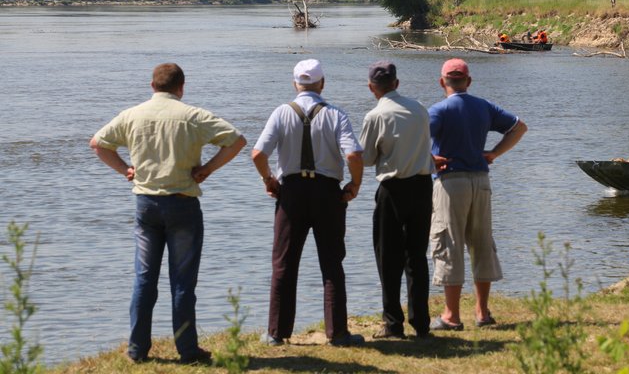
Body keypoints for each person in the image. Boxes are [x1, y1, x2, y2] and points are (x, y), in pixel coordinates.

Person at [90, 63, 246, 364]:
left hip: (146, 205)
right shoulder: (193, 116)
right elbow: (237, 141)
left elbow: (98, 144)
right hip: (183, 203)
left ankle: (137, 349)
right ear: (181, 87)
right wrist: (207, 169)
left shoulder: (132, 114)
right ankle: (187, 350)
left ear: (152, 86)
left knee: (144, 279)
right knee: (183, 282)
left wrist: (126, 170)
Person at [251, 59, 365, 347]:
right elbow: (353, 155)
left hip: (290, 193)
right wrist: (355, 184)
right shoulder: (336, 114)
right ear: (322, 84)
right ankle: (337, 332)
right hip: (327, 193)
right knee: (331, 262)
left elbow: (257, 154)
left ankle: (277, 333)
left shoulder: (280, 113)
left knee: (284, 263)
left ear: (294, 85)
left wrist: (269, 180)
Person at [428, 58, 527, 331]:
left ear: (442, 82)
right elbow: (519, 127)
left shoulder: (438, 110)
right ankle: (482, 313)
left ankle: (451, 316)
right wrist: (494, 153)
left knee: (449, 242)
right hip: (481, 180)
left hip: (451, 182)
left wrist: (429, 160)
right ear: (468, 82)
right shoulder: (484, 106)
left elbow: (414, 139)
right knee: (481, 242)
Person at [359, 61, 436, 339]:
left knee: (388, 257)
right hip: (423, 186)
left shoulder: (375, 116)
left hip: (392, 189)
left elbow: (366, 159)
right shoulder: (419, 109)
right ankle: (421, 323)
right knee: (416, 255)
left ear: (372, 88)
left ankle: (393, 323)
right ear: (397, 83)